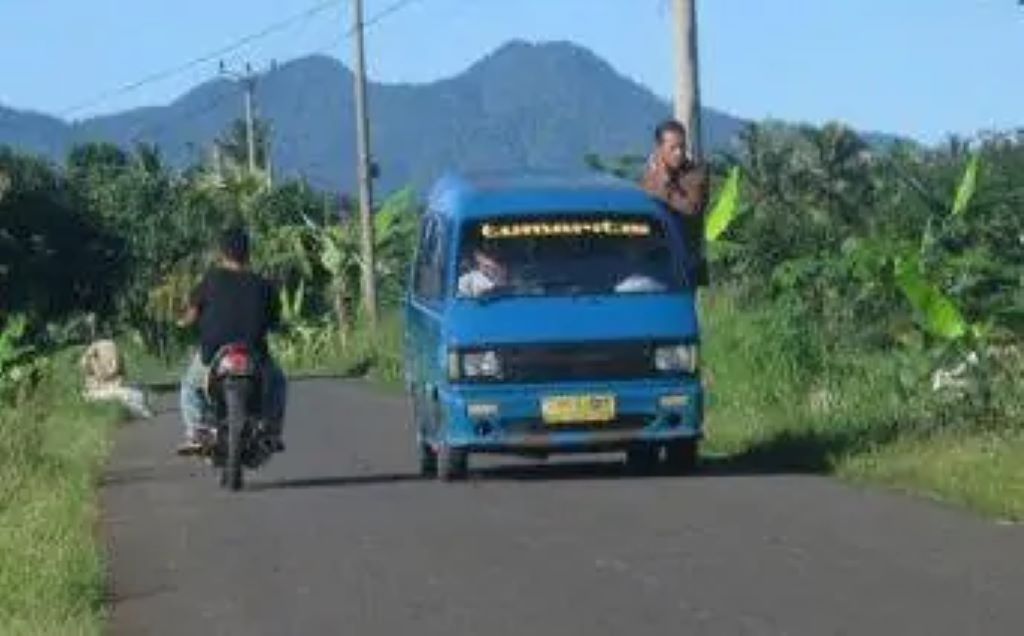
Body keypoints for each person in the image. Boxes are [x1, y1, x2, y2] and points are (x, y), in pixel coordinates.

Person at [176, 226, 287, 455]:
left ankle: (197, 431)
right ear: (248, 253)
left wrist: (183, 322)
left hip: (213, 353)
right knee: (278, 382)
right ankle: (272, 430)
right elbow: (275, 322)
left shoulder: (210, 280)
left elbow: (190, 316)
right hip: (253, 351)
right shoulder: (264, 285)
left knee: (189, 386)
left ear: (222, 253)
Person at [640, 119, 710, 286]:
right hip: (657, 260)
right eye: (673, 148)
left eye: (682, 147)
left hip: (689, 262)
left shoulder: (696, 174)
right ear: (659, 149)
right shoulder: (648, 177)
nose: (679, 153)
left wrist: (666, 183)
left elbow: (691, 209)